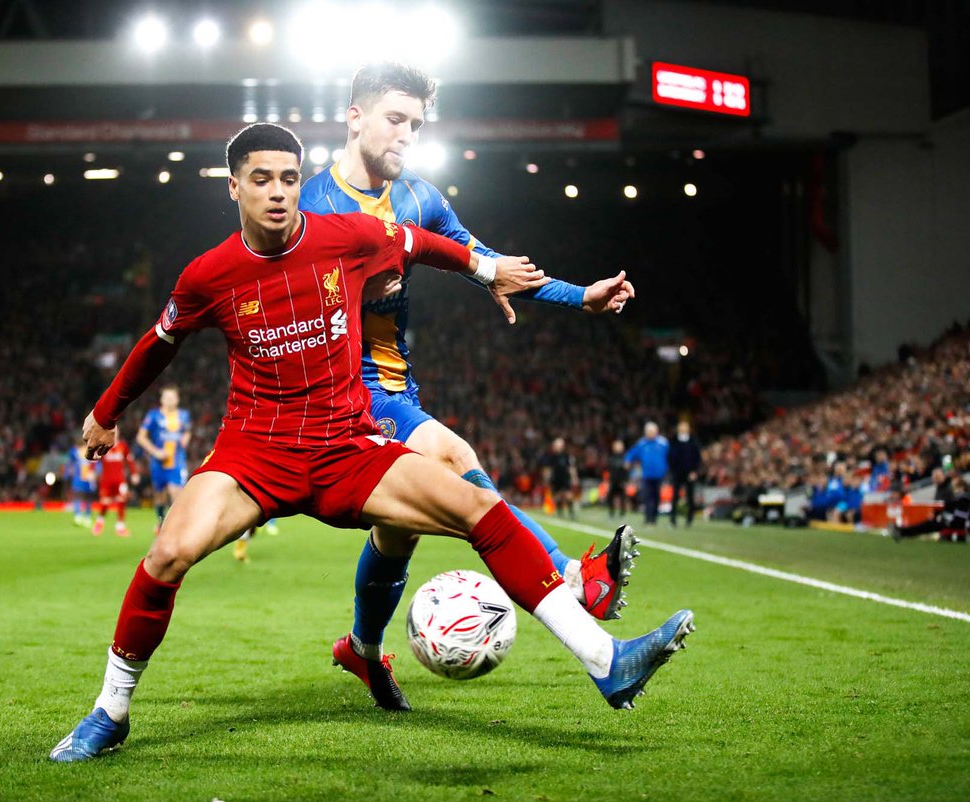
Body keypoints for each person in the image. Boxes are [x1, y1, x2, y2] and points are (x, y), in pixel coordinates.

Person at [48, 124, 693, 762]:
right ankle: (110, 713)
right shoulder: (208, 275)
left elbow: (424, 242)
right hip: (255, 453)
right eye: (262, 179)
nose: (278, 192)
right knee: (168, 553)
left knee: (479, 505)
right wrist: (106, 414)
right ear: (234, 187)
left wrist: (490, 269)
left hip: (349, 448)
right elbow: (158, 344)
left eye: (289, 178)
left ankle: (606, 661)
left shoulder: (348, 236)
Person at [299, 63, 641, 705]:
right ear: (354, 117)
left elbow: (490, 266)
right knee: (456, 458)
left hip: (396, 388)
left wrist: (581, 296)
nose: (407, 134)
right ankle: (572, 576)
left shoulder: (420, 200)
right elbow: (274, 304)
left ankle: (362, 651)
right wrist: (355, 291)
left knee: (397, 532)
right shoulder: (311, 205)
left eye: (416, 124)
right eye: (395, 119)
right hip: (340, 394)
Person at [135, 386, 192, 532]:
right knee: (160, 497)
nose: (169, 400)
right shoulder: (153, 415)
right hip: (158, 463)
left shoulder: (183, 415)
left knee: (175, 493)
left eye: (172, 397)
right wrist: (155, 452)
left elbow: (187, 431)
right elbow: (141, 437)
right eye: (167, 397)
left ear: (177, 399)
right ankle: (161, 521)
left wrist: (185, 439)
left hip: (177, 461)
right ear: (161, 399)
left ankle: (174, 527)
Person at [890, 474, 968, 543]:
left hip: (951, 524)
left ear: (960, 485)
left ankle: (902, 532)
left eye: (954, 481)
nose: (952, 483)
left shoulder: (963, 497)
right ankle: (902, 532)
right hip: (948, 522)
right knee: (926, 525)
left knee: (926, 526)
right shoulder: (958, 496)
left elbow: (960, 518)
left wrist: (944, 518)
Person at [92, 436, 138, 537]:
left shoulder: (123, 446)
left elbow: (129, 460)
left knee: (122, 501)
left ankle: (120, 527)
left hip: (120, 479)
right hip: (106, 480)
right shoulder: (103, 446)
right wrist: (91, 471)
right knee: (105, 502)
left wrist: (134, 473)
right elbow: (95, 459)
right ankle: (99, 522)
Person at [626, 422, 669, 526]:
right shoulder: (642, 443)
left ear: (656, 431)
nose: (651, 433)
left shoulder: (663, 443)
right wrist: (627, 460)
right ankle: (648, 517)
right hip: (646, 475)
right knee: (647, 497)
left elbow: (670, 456)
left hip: (659, 475)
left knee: (656, 497)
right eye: (649, 431)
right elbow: (632, 453)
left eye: (652, 431)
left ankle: (654, 518)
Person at [667, 420, 702, 527]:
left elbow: (697, 457)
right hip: (677, 473)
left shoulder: (693, 440)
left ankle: (690, 519)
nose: (683, 429)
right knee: (675, 496)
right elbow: (670, 457)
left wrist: (695, 471)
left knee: (690, 496)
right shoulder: (674, 440)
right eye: (681, 427)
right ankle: (673, 519)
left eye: (685, 427)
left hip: (690, 473)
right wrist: (673, 471)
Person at [541, 437, 578, 518]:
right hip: (555, 479)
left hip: (565, 478)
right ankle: (560, 513)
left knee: (568, 496)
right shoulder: (551, 457)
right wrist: (546, 479)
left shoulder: (566, 456)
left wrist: (574, 478)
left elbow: (571, 468)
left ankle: (571, 513)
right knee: (557, 497)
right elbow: (547, 469)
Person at [63, 443, 96, 527]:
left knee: (87, 498)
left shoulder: (92, 451)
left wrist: (95, 474)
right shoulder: (75, 452)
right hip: (78, 478)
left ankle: (87, 517)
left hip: (88, 478)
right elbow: (69, 463)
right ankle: (78, 516)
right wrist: (67, 474)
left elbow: (97, 464)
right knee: (78, 496)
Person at [605, 439, 630, 517]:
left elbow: (626, 470)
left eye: (619, 446)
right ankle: (611, 512)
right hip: (613, 480)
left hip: (621, 480)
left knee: (622, 497)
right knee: (610, 496)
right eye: (616, 446)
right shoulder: (611, 457)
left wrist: (626, 480)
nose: (618, 447)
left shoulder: (625, 457)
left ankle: (622, 513)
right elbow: (609, 469)